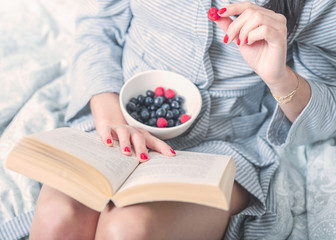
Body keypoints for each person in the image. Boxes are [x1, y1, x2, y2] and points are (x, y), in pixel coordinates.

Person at [29, 0, 336, 239]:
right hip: (113, 119)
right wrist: (111, 116)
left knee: (128, 230)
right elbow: (99, 24)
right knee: (59, 219)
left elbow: (324, 120)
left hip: (224, 148)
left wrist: (279, 78)